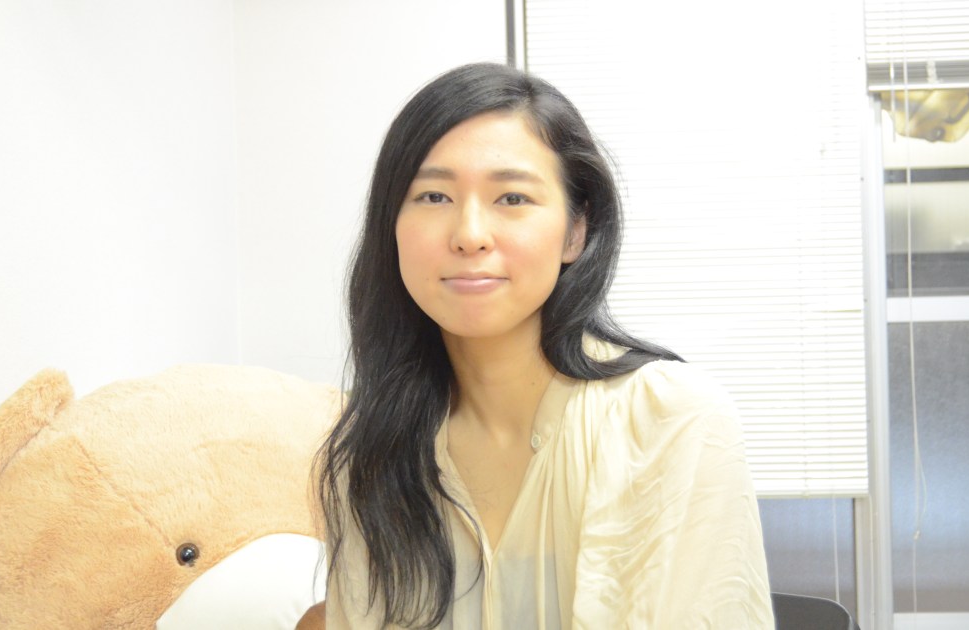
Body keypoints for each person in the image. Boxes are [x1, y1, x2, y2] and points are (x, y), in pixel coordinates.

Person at [315, 62, 773, 629]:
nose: (469, 235)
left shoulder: (671, 421)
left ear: (575, 231)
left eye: (512, 198)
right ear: (391, 226)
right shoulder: (371, 458)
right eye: (434, 196)